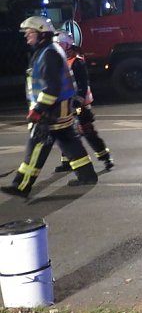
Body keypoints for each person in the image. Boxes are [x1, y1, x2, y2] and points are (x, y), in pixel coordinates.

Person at [1, 16, 98, 198]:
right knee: (68, 141)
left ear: (41, 34)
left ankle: (21, 185)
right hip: (59, 106)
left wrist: (38, 110)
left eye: (30, 33)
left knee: (38, 142)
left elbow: (52, 87)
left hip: (51, 109)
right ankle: (87, 175)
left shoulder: (49, 53)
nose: (26, 37)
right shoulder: (48, 50)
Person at [54, 31, 114, 173]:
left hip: (79, 105)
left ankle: (106, 158)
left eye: (60, 44)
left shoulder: (77, 62)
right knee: (66, 132)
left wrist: (78, 101)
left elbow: (82, 83)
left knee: (87, 131)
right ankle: (67, 162)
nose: (58, 46)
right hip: (66, 104)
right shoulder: (59, 61)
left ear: (68, 45)